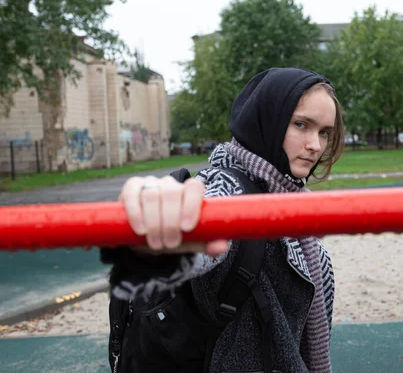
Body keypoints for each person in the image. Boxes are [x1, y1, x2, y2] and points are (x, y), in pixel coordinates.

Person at [102, 67, 345, 373]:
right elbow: (198, 237)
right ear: (266, 120)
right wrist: (160, 232)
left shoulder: (293, 201)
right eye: (301, 125)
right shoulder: (227, 189)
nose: (316, 145)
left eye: (324, 132)